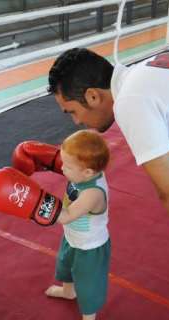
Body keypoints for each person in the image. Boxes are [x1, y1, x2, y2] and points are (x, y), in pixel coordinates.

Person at [45, 47, 169, 320]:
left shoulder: (131, 102)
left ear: (92, 95)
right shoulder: (147, 70)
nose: (77, 122)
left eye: (72, 112)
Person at [45, 130, 111, 320]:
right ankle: (68, 292)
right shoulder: (85, 172)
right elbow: (78, 162)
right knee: (65, 266)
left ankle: (89, 316)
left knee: (88, 284)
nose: (62, 168)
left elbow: (66, 216)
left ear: (88, 172)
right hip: (72, 237)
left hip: (90, 247)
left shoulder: (93, 193)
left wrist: (36, 202)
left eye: (67, 166)